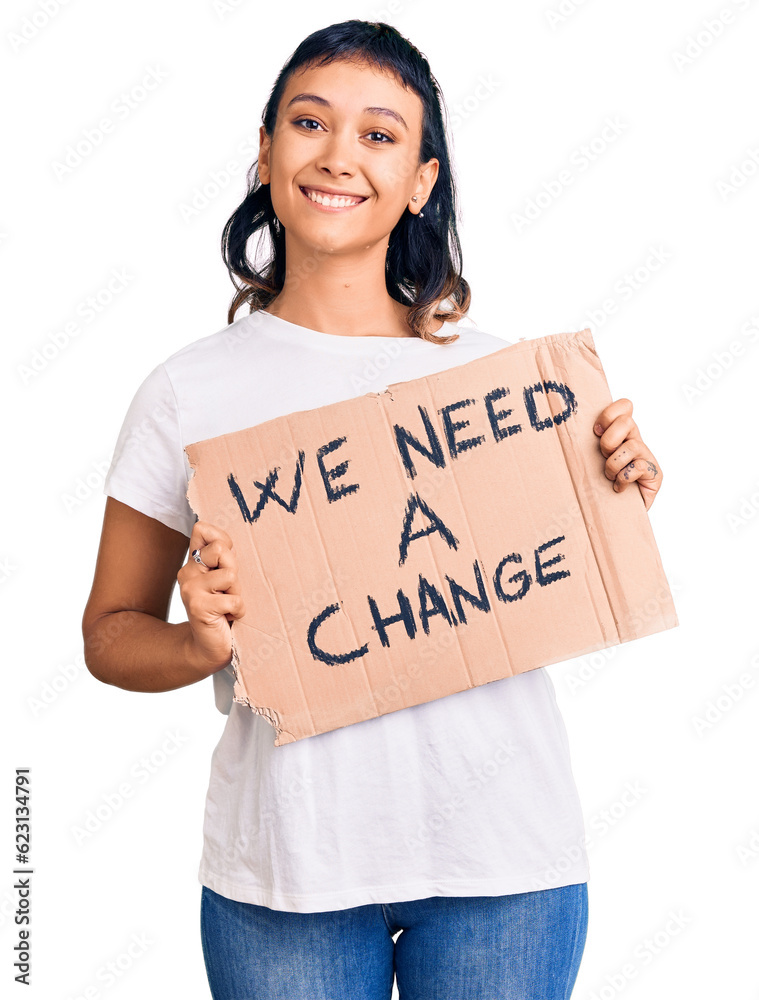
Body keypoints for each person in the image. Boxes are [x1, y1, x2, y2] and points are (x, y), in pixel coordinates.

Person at [82, 19, 663, 1000]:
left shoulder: (503, 381)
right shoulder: (186, 390)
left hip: (505, 866)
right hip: (286, 868)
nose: (339, 154)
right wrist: (199, 644)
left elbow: (574, 566)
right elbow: (108, 632)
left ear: (422, 181)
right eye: (310, 123)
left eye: (380, 134)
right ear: (265, 153)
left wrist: (619, 487)